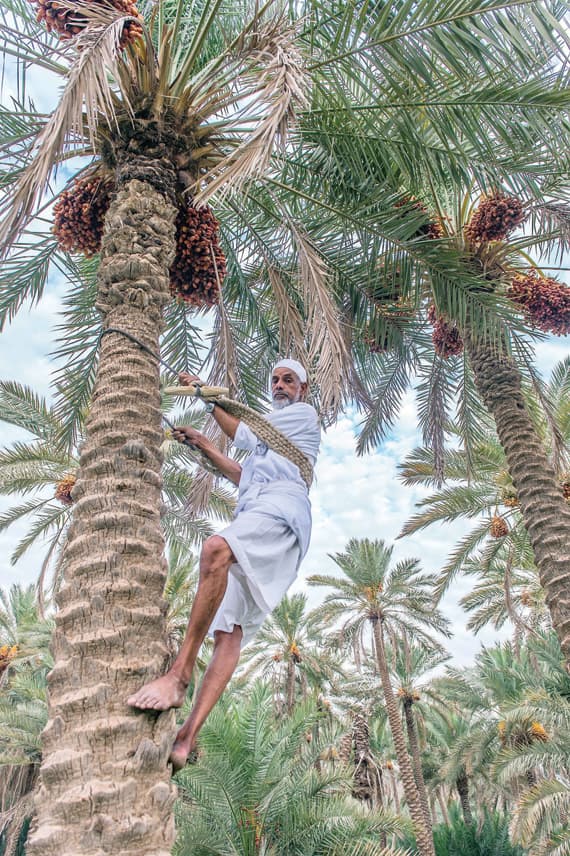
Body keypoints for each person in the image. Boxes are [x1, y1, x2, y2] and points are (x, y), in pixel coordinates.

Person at [127, 359, 321, 770]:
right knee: (228, 632)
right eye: (275, 379)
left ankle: (179, 675)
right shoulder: (273, 444)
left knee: (216, 549)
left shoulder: (302, 416)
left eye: (288, 380)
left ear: (302, 389)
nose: (279, 385)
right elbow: (242, 475)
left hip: (281, 511)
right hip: (259, 511)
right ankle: (185, 739)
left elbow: (244, 432)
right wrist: (203, 444)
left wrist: (203, 392)